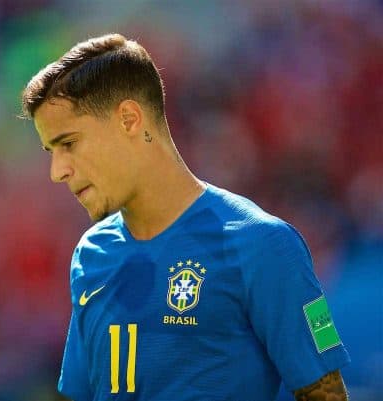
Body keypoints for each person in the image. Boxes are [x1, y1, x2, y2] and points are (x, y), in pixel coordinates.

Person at [21, 33, 350, 401]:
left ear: (129, 119)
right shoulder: (91, 254)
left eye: (68, 143)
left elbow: (327, 395)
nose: (57, 171)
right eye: (51, 150)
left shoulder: (263, 244)